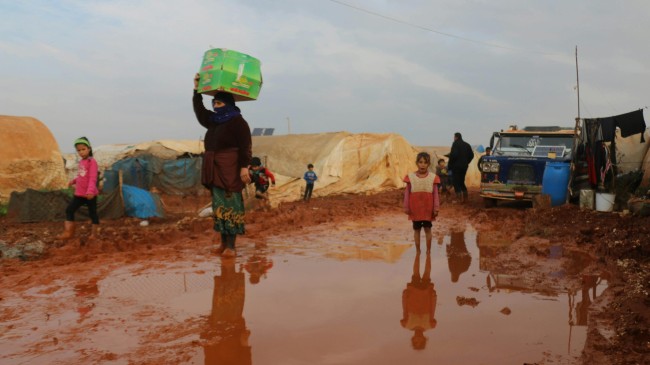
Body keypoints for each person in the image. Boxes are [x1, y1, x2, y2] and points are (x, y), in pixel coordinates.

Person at [193, 73, 252, 258]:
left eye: (219, 104)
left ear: (228, 104)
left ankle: (231, 247)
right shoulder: (213, 121)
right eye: (214, 104)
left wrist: (244, 167)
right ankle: (222, 243)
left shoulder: (238, 122)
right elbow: (200, 111)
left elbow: (245, 146)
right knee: (219, 207)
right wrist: (196, 89)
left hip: (231, 169)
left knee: (231, 205)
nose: (215, 107)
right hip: (215, 168)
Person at [57, 137, 100, 240]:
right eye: (79, 150)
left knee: (92, 213)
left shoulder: (92, 162)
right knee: (69, 210)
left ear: (89, 149)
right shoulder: (81, 162)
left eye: (83, 149)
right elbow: (82, 176)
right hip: (80, 193)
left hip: (90, 194)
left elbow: (92, 178)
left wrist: (90, 191)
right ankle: (68, 233)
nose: (81, 152)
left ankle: (94, 234)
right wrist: (73, 181)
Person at [403, 152, 441, 253]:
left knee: (428, 229)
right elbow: (407, 193)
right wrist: (406, 207)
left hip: (428, 209)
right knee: (417, 230)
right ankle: (418, 251)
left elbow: (436, 195)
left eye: (425, 162)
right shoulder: (410, 177)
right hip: (415, 209)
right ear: (417, 163)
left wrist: (436, 208)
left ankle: (428, 251)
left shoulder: (433, 178)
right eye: (420, 162)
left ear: (428, 164)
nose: (422, 164)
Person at [400, 252, 437, 350]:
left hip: (413, 295)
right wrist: (434, 297)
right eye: (420, 341)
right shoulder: (430, 325)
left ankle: (417, 254)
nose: (418, 338)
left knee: (415, 273)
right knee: (427, 273)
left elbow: (405, 310)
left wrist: (404, 296)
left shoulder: (407, 324)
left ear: (413, 339)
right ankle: (428, 254)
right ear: (424, 339)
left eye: (415, 341)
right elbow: (432, 310)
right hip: (426, 296)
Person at [447, 132, 474, 203]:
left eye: (454, 137)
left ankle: (458, 199)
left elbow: (453, 155)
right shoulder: (467, 145)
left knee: (456, 182)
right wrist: (466, 162)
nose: (453, 138)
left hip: (456, 166)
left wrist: (449, 166)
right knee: (461, 181)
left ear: (456, 137)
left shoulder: (455, 144)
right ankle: (465, 198)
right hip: (464, 166)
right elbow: (471, 155)